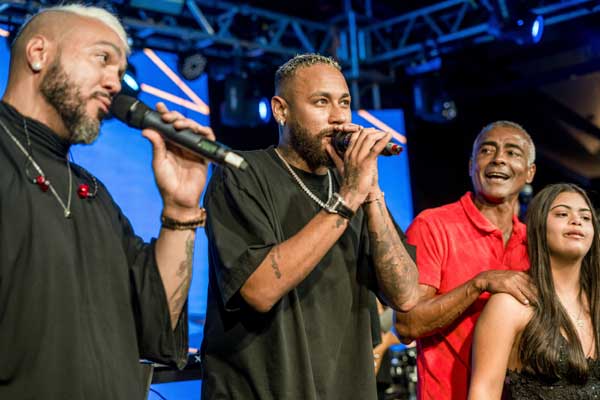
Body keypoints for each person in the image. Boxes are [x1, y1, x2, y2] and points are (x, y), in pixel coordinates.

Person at [0, 5, 214, 399]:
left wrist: (182, 209)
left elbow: (156, 326)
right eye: (103, 58)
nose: (116, 83)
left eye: (120, 71)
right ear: (38, 53)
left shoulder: (93, 194)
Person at [200, 53, 420, 399]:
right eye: (321, 102)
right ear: (280, 110)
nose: (337, 117)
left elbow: (406, 294)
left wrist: (372, 193)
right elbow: (259, 290)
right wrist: (347, 199)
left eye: (344, 103)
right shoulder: (242, 174)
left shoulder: (353, 186)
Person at [395, 121, 537, 399]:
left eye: (512, 153)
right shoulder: (433, 226)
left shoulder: (535, 243)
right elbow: (406, 325)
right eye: (487, 150)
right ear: (472, 165)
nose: (498, 159)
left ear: (530, 172)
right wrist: (480, 283)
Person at [469, 183, 600, 399]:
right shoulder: (510, 304)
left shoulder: (595, 303)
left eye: (586, 218)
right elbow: (484, 392)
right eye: (562, 213)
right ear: (538, 226)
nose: (577, 220)